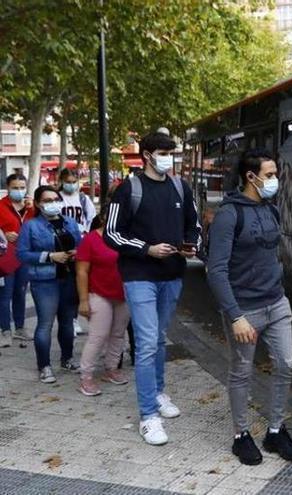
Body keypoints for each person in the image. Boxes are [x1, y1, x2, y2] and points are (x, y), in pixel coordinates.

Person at [104, 131, 201, 446]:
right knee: (146, 343)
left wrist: (191, 245)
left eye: (171, 152)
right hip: (139, 275)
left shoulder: (179, 186)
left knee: (158, 339)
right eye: (162, 152)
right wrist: (147, 248)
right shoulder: (128, 190)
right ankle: (148, 416)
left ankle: (158, 393)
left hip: (172, 274)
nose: (167, 158)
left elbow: (194, 223)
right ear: (146, 154)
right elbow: (111, 234)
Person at [206, 149, 292, 466]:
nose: (275, 180)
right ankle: (241, 435)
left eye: (275, 174)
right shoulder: (229, 215)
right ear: (251, 177)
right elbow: (216, 270)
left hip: (276, 303)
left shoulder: (270, 210)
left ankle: (275, 430)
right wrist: (235, 317)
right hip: (244, 310)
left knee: (287, 362)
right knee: (241, 372)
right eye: (270, 174)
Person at [17, 186, 82, 383]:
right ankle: (44, 366)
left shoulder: (70, 222)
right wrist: (49, 256)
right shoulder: (31, 226)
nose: (52, 203)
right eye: (47, 200)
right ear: (37, 203)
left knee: (67, 322)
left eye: (55, 199)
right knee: (45, 324)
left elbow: (80, 245)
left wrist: (76, 253)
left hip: (69, 278)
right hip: (45, 281)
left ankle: (67, 358)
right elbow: (21, 253)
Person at [76, 214, 130, 396]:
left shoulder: (128, 237)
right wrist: (83, 300)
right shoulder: (91, 239)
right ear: (104, 218)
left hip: (124, 294)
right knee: (98, 336)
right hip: (98, 293)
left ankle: (111, 368)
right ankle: (86, 376)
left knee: (118, 334)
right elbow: (82, 271)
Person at [59, 167, 97, 337]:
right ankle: (70, 320)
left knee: (82, 280)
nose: (71, 185)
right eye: (68, 182)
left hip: (82, 243)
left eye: (74, 182)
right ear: (61, 181)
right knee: (68, 284)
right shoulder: (57, 199)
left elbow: (91, 219)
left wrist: (87, 237)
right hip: (63, 244)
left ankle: (80, 318)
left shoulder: (83, 199)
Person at [0, 174, 35, 347]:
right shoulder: (1, 206)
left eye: (22, 187)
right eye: (15, 187)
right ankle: (5, 330)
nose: (19, 191)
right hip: (5, 257)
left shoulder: (30, 208)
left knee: (20, 292)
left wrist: (33, 207)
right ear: (8, 187)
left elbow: (39, 226)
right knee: (5, 294)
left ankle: (20, 328)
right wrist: (4, 234)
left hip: (24, 256)